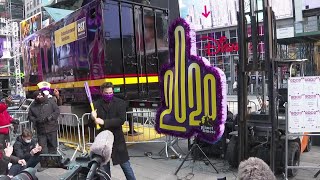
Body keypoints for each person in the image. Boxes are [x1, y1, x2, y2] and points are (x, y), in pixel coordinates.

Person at [91, 82, 136, 180]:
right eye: (106, 93)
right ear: (102, 92)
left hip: (117, 140)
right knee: (104, 170)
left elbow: (121, 120)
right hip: (103, 143)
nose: (109, 95)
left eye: (110, 92)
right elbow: (92, 125)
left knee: (126, 166)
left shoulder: (120, 103)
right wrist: (93, 118)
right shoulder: (96, 104)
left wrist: (104, 122)